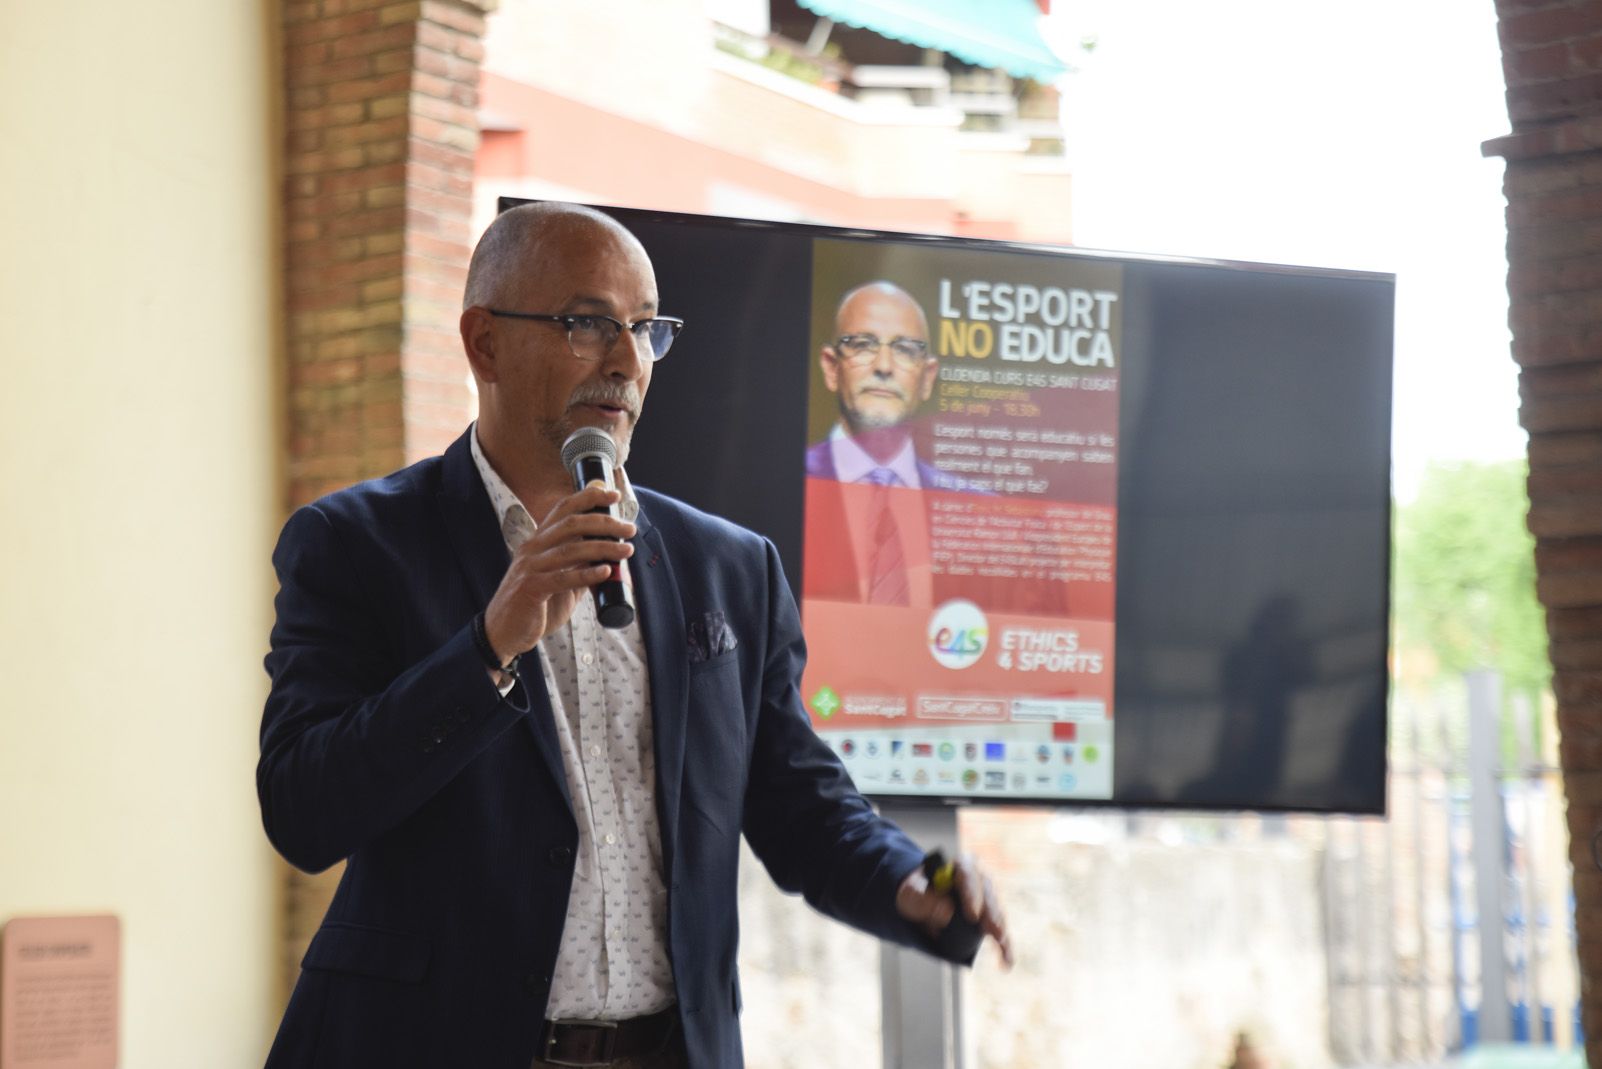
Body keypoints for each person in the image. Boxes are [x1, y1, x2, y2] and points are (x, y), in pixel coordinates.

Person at [257, 203, 1011, 1069]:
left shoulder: (729, 567)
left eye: (645, 329)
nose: (624, 360)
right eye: (587, 323)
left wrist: (903, 879)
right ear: (484, 343)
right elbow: (303, 810)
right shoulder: (358, 543)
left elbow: (798, 795)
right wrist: (489, 646)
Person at [804, 280, 967, 492]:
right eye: (863, 345)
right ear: (831, 368)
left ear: (927, 378)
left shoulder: (974, 504)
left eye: (905, 350)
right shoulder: (781, 482)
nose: (883, 366)